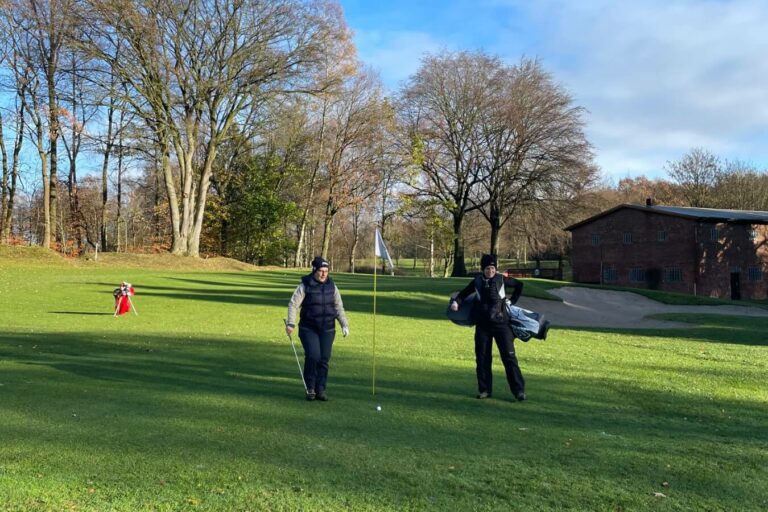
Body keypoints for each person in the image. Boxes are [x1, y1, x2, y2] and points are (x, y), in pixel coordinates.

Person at [450, 254, 527, 401]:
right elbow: (463, 294)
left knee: (509, 358)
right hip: (482, 326)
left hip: (502, 325)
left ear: (495, 268)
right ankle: (484, 390)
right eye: (487, 268)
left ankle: (519, 391)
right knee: (482, 358)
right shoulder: (477, 281)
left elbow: (519, 285)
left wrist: (512, 302)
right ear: (482, 269)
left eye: (492, 268)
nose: (490, 271)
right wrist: (456, 302)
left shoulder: (501, 279)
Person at [286, 256, 350, 401]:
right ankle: (310, 388)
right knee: (313, 356)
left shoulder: (332, 286)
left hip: (327, 328)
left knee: (324, 359)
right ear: (314, 270)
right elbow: (293, 304)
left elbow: (338, 307)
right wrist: (291, 323)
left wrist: (344, 324)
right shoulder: (305, 285)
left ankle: (320, 389)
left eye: (326, 271)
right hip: (308, 328)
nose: (323, 274)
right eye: (321, 271)